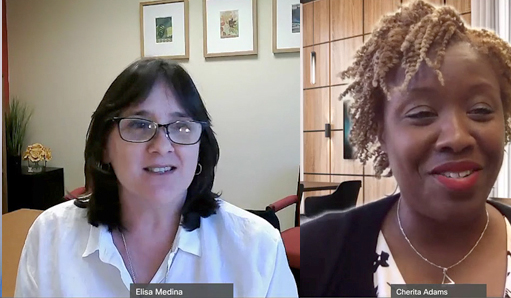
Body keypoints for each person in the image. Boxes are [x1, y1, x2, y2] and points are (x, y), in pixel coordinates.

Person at [296, 1, 511, 297]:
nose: (457, 137)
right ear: (381, 132)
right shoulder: (314, 257)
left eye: (480, 110)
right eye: (421, 113)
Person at [15, 59, 298, 297]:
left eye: (182, 127)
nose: (162, 147)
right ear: (104, 147)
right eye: (140, 125)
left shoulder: (257, 248)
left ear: (200, 148)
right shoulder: (50, 237)